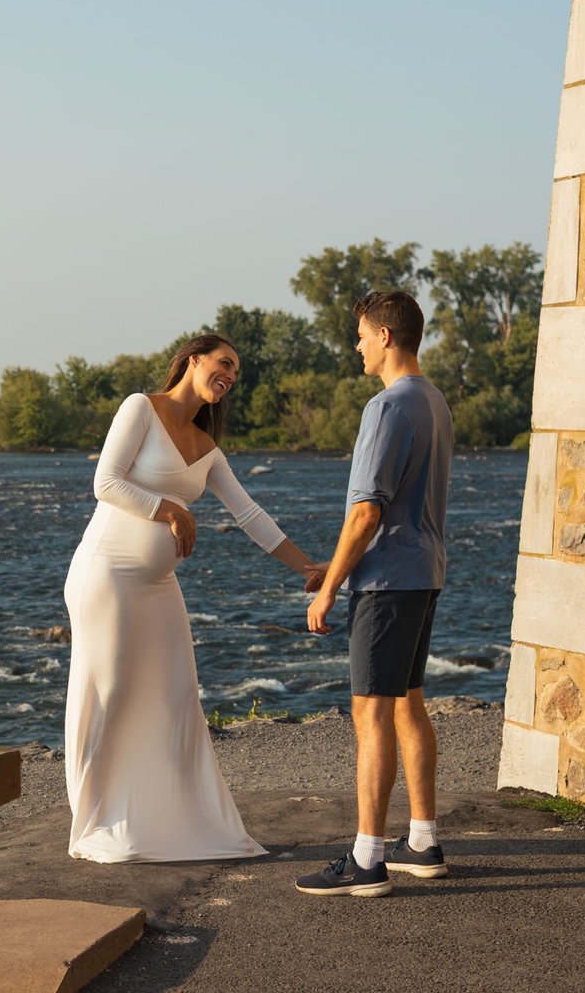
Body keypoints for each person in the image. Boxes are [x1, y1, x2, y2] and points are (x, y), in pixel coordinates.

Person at [63, 333, 320, 863]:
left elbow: (249, 514)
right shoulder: (141, 407)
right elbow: (105, 482)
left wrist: (309, 567)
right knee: (110, 692)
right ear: (193, 359)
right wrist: (170, 510)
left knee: (177, 695)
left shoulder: (207, 448)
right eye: (224, 363)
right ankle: (92, 822)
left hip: (158, 585)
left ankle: (176, 819)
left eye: (236, 372)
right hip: (106, 575)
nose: (230, 375)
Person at [297, 291, 454, 897]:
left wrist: (329, 590)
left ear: (385, 336)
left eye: (362, 335)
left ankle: (367, 859)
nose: (357, 345)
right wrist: (333, 565)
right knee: (409, 702)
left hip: (387, 582)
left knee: (371, 713)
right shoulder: (434, 401)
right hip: (423, 573)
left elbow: (367, 512)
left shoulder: (386, 407)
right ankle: (423, 841)